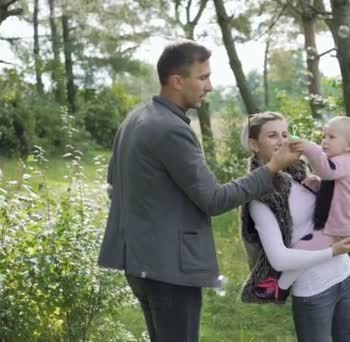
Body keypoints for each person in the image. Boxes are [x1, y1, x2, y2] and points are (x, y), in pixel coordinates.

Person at [97, 41, 301, 342]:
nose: (211, 86)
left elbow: (113, 184)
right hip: (169, 270)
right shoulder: (171, 129)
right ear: (177, 81)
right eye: (203, 77)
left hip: (140, 263)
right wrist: (271, 168)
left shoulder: (136, 118)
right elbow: (214, 200)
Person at [240, 112, 350, 342]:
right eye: (272, 135)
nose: (282, 140)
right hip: (313, 291)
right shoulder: (262, 198)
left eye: (285, 134)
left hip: (346, 277)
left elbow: (343, 200)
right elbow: (279, 260)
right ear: (254, 144)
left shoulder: (305, 175)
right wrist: (332, 251)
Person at [278, 115, 350, 290]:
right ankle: (280, 285)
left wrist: (310, 148)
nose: (324, 141)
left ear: (349, 145)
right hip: (338, 225)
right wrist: (319, 185)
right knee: (302, 249)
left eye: (331, 137)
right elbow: (335, 191)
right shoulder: (339, 162)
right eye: (323, 136)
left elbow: (326, 170)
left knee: (301, 248)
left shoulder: (346, 160)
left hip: (338, 229)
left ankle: (278, 287)